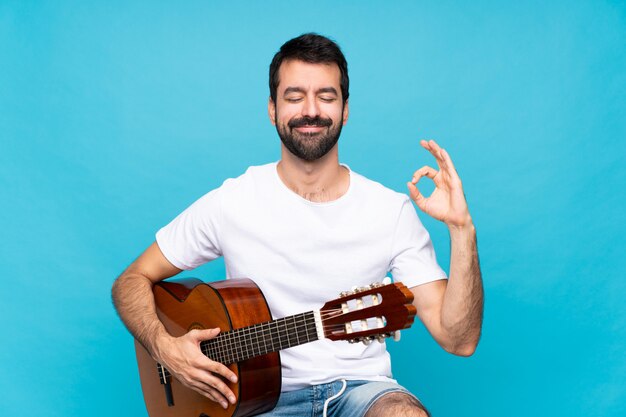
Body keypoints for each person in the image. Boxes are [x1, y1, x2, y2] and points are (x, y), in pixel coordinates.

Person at [112, 33, 483, 417]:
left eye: (326, 96)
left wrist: (462, 230)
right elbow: (131, 280)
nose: (311, 110)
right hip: (251, 401)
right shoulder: (232, 201)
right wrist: (164, 347)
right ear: (272, 109)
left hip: (359, 392)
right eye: (294, 97)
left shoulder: (391, 211)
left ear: (345, 109)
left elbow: (459, 340)